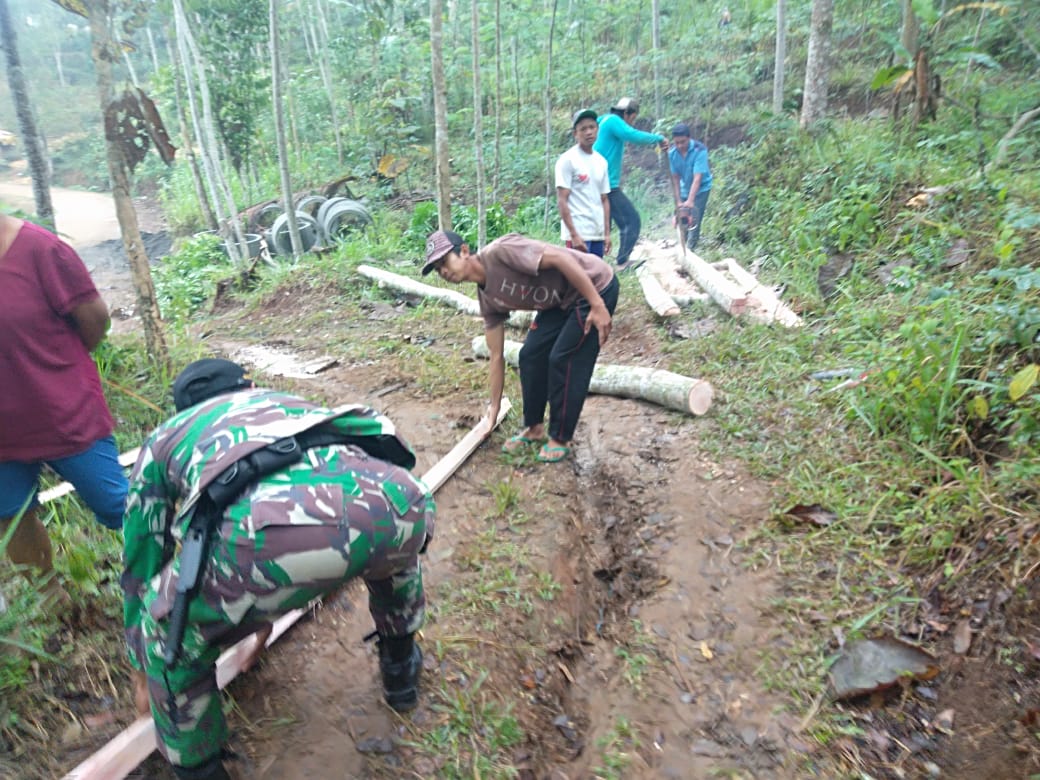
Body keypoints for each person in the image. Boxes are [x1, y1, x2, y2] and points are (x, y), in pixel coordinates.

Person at [123, 358, 434, 780]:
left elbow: (143, 556)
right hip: (402, 500)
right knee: (389, 547)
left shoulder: (165, 439)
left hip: (267, 542)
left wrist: (145, 658)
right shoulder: (285, 402)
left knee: (161, 629)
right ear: (248, 385)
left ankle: (201, 769)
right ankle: (401, 672)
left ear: (183, 411)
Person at [0, 213, 126, 605]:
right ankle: (51, 599)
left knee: (116, 503)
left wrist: (56, 370)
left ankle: (184, 572)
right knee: (12, 516)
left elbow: (95, 321)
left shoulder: (40, 250)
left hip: (64, 410)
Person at [422, 230, 618, 463]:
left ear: (464, 251)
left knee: (564, 359)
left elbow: (560, 257)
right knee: (530, 356)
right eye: (437, 269)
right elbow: (496, 356)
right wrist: (493, 410)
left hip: (594, 285)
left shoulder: (501, 252)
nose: (443, 272)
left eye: (444, 261)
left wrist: (597, 302)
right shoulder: (487, 300)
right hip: (558, 301)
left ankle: (560, 437)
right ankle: (534, 428)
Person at [592, 97, 667, 269]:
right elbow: (632, 135)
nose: (631, 123)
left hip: (600, 182)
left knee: (605, 225)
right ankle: (622, 262)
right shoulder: (613, 121)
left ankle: (600, 264)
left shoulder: (603, 119)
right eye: (632, 119)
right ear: (626, 113)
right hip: (607, 185)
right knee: (632, 221)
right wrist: (658, 138)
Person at [555, 108, 611, 258]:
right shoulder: (568, 160)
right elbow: (562, 200)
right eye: (583, 129)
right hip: (579, 233)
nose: (589, 132)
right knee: (577, 278)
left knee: (597, 278)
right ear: (575, 134)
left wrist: (606, 234)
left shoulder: (601, 162)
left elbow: (604, 199)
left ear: (597, 130)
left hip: (596, 233)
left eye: (592, 127)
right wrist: (573, 235)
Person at [668, 122, 713, 252]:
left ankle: (691, 248)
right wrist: (678, 201)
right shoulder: (672, 154)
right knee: (682, 218)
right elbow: (675, 179)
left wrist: (691, 201)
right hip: (684, 187)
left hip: (702, 189)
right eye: (677, 143)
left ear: (689, 138)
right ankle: (682, 244)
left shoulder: (700, 150)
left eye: (682, 142)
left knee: (694, 218)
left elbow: (697, 178)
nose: (680, 146)